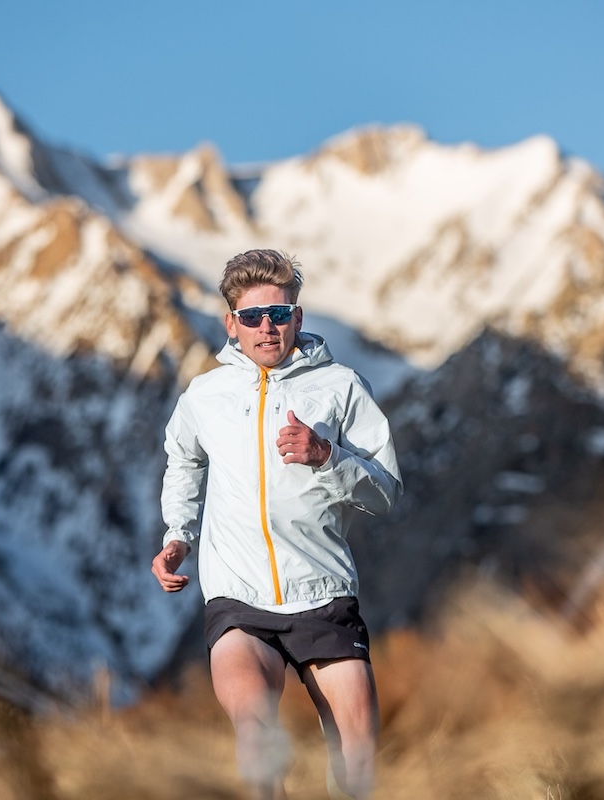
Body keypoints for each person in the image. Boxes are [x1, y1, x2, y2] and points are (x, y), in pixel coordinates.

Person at [152, 249, 403, 799]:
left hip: (323, 593)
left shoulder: (341, 386)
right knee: (256, 737)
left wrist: (327, 456)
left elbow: (386, 491)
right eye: (252, 317)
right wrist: (178, 536)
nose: (267, 327)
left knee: (358, 755)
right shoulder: (206, 395)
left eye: (280, 314)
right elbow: (184, 459)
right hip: (239, 599)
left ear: (298, 317)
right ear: (231, 324)